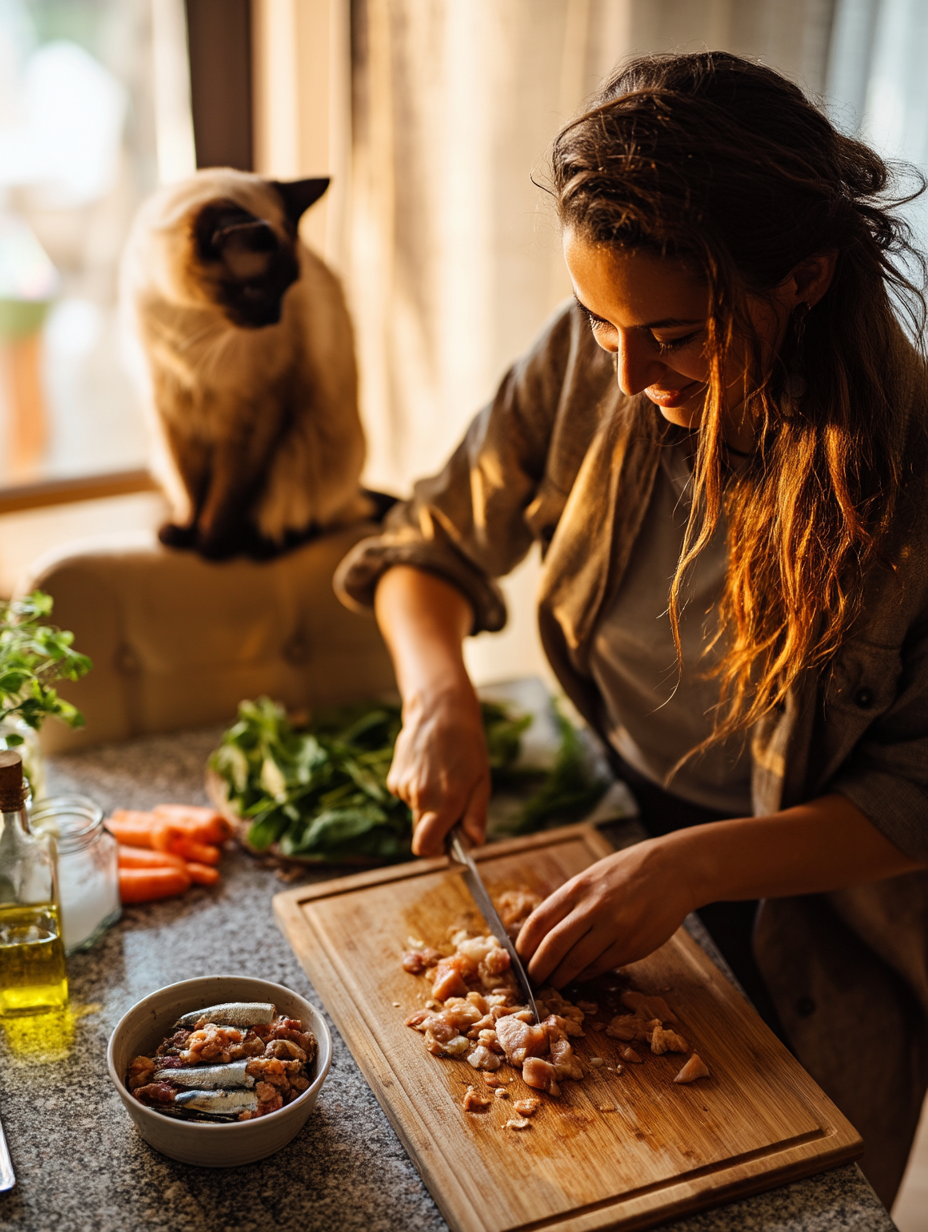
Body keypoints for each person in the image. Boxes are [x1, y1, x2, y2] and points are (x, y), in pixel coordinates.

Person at [335, 51, 928, 1205]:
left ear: (802, 279)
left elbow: (916, 790)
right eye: (598, 322)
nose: (623, 371)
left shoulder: (911, 476)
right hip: (614, 814)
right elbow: (425, 546)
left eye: (675, 333)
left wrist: (695, 864)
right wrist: (438, 691)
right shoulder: (602, 348)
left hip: (824, 915)